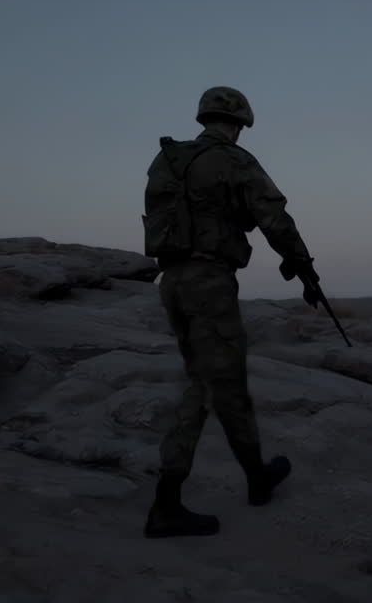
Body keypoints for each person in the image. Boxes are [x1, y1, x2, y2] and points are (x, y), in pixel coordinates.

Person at [141, 85, 321, 538]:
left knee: (217, 383)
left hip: (174, 281)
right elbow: (274, 218)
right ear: (240, 124)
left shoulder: (167, 160)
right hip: (209, 282)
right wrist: (302, 267)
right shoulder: (236, 161)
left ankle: (255, 475)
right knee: (212, 387)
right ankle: (168, 504)